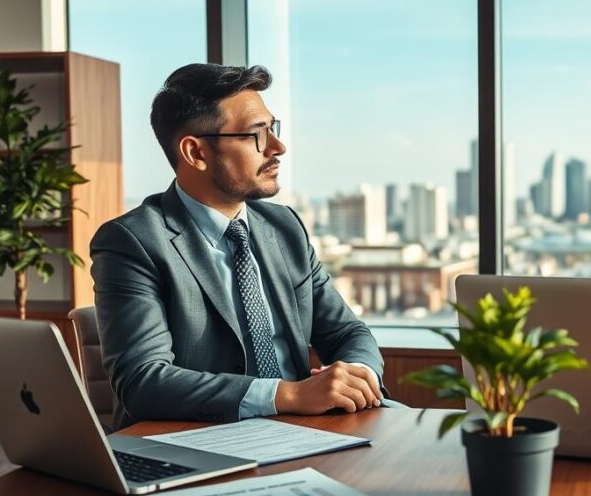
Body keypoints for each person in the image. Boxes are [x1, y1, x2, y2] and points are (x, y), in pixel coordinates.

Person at [91, 63, 387, 429]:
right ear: (195, 153)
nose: (278, 147)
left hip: (303, 431)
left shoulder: (284, 228)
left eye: (273, 129)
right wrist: (290, 395)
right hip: (195, 439)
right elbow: (143, 381)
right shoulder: (134, 242)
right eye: (256, 135)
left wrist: (355, 375)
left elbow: (347, 332)